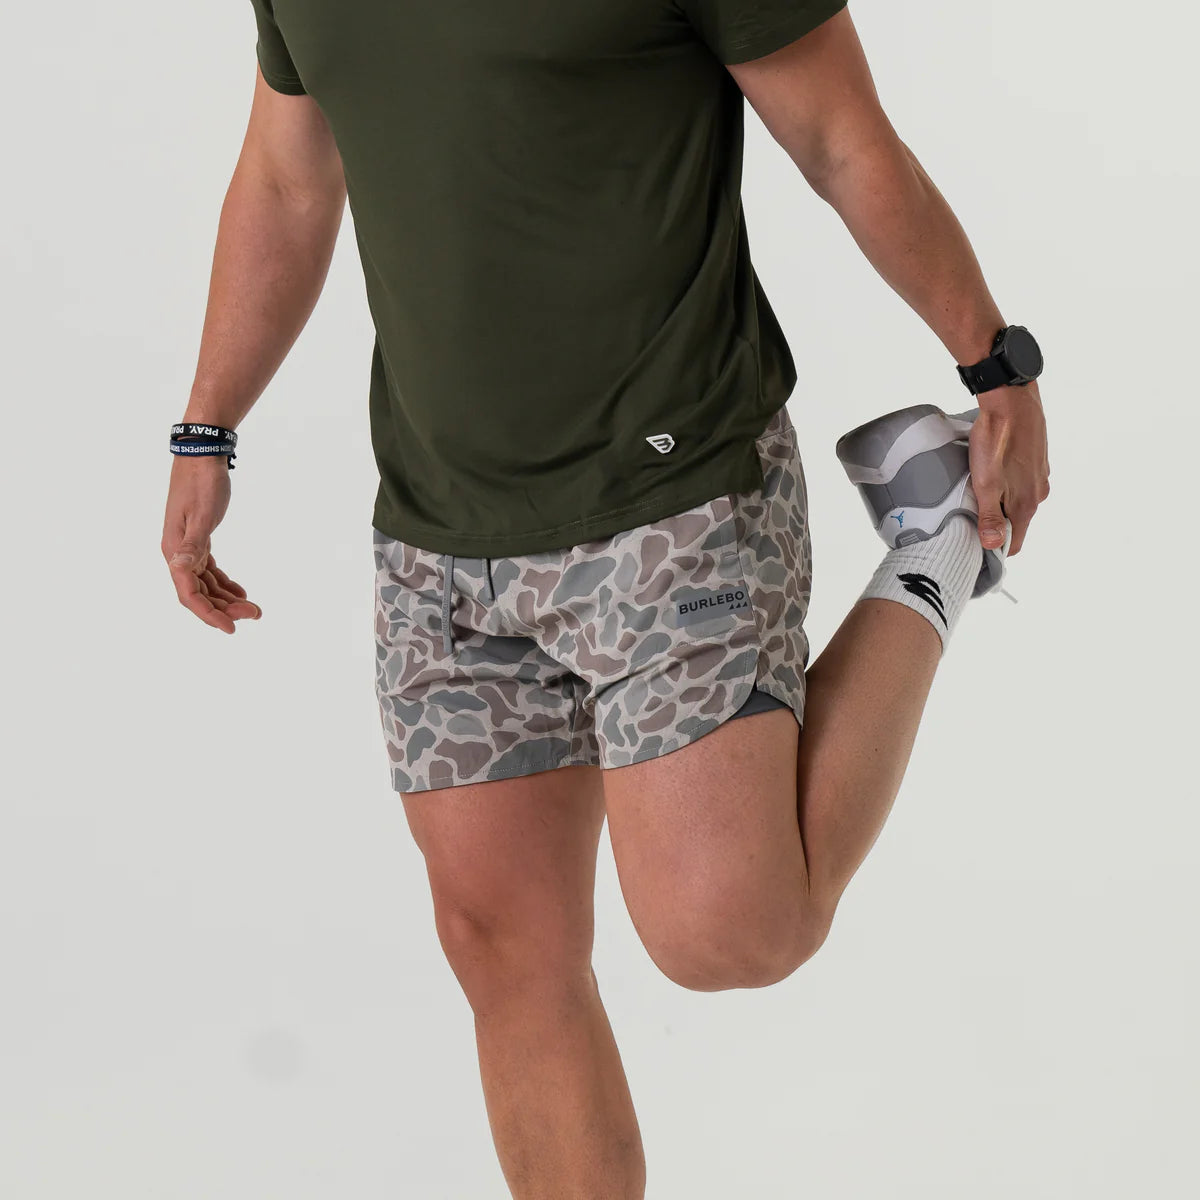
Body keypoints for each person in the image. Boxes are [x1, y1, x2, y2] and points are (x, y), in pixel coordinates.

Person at [161, 2, 1050, 1195]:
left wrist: (995, 365)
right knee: (504, 951)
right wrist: (207, 427)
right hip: (441, 529)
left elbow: (840, 136)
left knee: (731, 931)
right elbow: (288, 176)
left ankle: (935, 545)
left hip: (668, 486)